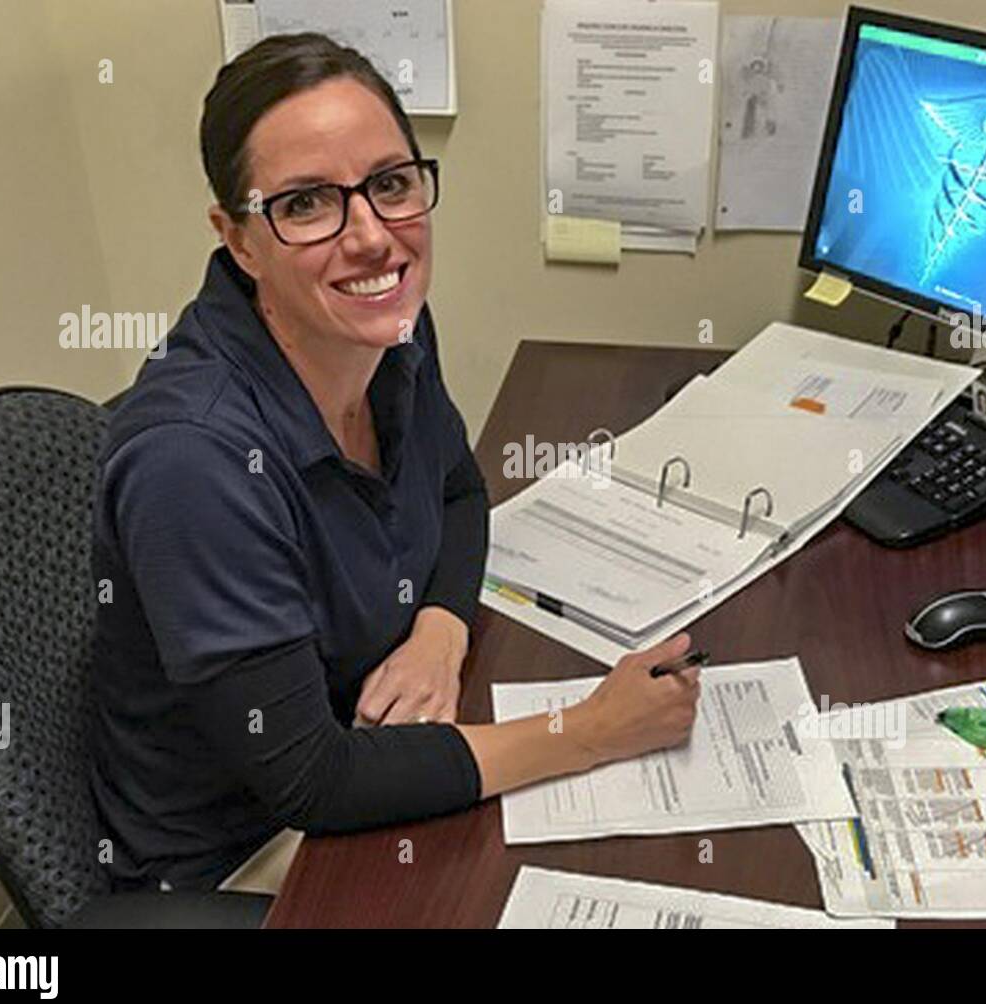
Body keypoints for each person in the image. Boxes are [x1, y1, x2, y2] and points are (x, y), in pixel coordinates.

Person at [88, 33, 701, 895]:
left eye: (390, 183)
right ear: (238, 239)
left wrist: (439, 631)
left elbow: (457, 489)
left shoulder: (386, 330)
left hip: (375, 736)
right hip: (248, 858)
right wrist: (592, 728)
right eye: (306, 204)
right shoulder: (194, 463)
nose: (374, 238)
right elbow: (313, 778)